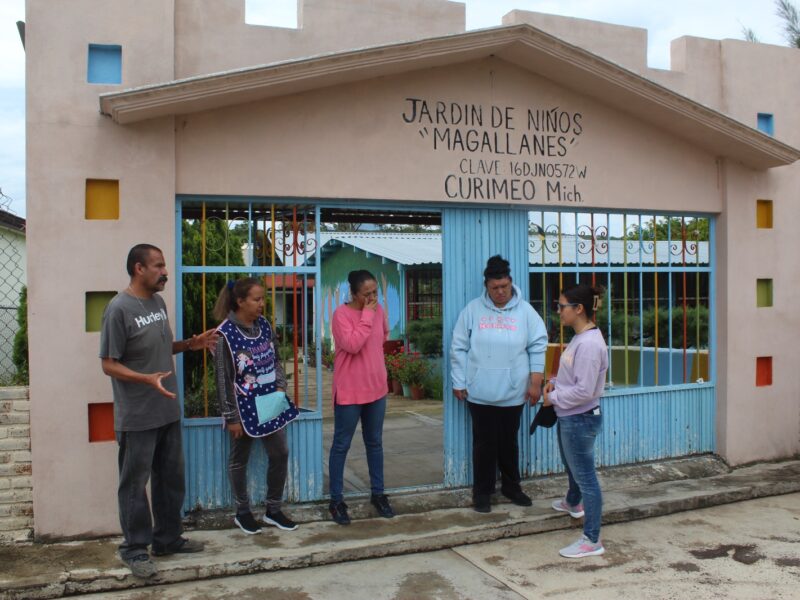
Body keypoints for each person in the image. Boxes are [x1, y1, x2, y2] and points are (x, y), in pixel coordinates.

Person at [100, 243, 218, 579]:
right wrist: (144, 378)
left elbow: (160, 346)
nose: (165, 272)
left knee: (170, 480)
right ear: (139, 268)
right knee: (134, 486)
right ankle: (135, 550)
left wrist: (189, 345)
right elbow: (109, 364)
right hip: (137, 416)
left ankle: (167, 539)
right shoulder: (118, 309)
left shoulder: (158, 302)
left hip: (167, 410)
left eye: (164, 266)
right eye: (159, 266)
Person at [450, 255, 548, 513]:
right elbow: (458, 347)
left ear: (511, 282)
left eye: (504, 286)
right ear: (487, 286)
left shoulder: (525, 312)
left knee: (508, 442)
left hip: (514, 392)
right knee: (483, 443)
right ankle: (482, 493)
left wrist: (535, 383)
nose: (500, 292)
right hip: (479, 392)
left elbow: (538, 345)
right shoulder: (472, 310)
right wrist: (459, 381)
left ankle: (511, 487)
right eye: (495, 288)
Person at [213, 278, 300, 535]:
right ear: (240, 301)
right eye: (256, 299)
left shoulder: (263, 325)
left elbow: (275, 358)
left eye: (263, 298)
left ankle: (273, 509)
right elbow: (223, 378)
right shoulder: (225, 335)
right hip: (244, 408)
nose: (262, 304)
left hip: (270, 402)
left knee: (280, 452)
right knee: (239, 459)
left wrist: (281, 386)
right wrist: (231, 417)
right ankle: (242, 512)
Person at [543, 283, 609, 558]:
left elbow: (585, 390)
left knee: (586, 478)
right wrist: (554, 383)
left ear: (578, 309)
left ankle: (591, 539)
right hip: (570, 417)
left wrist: (554, 397)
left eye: (562, 306)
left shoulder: (591, 345)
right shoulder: (580, 338)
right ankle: (572, 502)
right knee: (573, 467)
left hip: (580, 419)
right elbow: (573, 378)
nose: (558, 311)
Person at [328, 270, 394, 525]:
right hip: (349, 389)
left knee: (375, 443)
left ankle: (378, 494)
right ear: (353, 293)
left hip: (376, 387)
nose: (372, 298)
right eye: (367, 294)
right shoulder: (340, 315)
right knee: (341, 444)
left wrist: (373, 363)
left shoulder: (380, 312)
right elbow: (353, 344)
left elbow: (383, 336)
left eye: (375, 292)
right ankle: (336, 500)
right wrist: (367, 315)